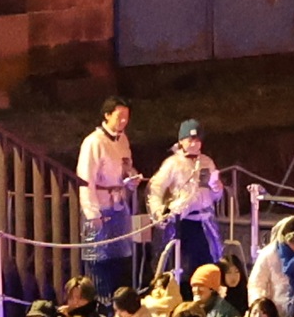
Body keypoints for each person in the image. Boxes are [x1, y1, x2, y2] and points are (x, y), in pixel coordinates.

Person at [79, 103, 146, 296]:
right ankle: (101, 304)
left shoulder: (123, 139)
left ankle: (122, 301)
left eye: (126, 116)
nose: (123, 121)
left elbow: (126, 168)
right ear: (107, 115)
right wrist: (92, 213)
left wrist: (132, 179)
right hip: (99, 206)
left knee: (122, 257)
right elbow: (85, 180)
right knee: (98, 260)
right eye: (119, 116)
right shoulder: (93, 142)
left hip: (119, 204)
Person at [150, 121, 226, 286]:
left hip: (205, 221)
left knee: (209, 263)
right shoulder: (172, 163)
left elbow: (215, 196)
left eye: (197, 140)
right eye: (190, 140)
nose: (194, 144)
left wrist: (216, 188)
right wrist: (158, 211)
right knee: (182, 266)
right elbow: (156, 188)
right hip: (182, 221)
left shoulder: (207, 162)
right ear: (181, 141)